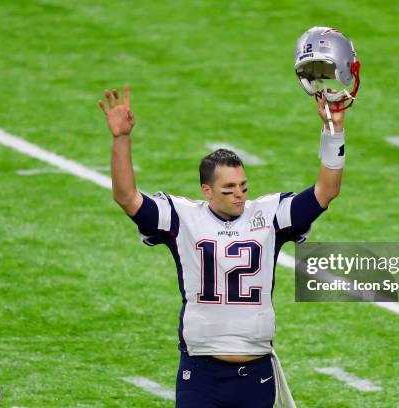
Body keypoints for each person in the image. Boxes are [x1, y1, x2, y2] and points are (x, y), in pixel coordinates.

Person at [99, 85, 345, 408]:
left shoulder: (268, 214)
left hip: (256, 374)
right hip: (201, 374)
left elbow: (326, 191)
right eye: (229, 188)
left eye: (243, 186)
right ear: (207, 190)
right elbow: (127, 197)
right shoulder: (182, 218)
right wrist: (121, 138)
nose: (240, 194)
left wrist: (334, 129)